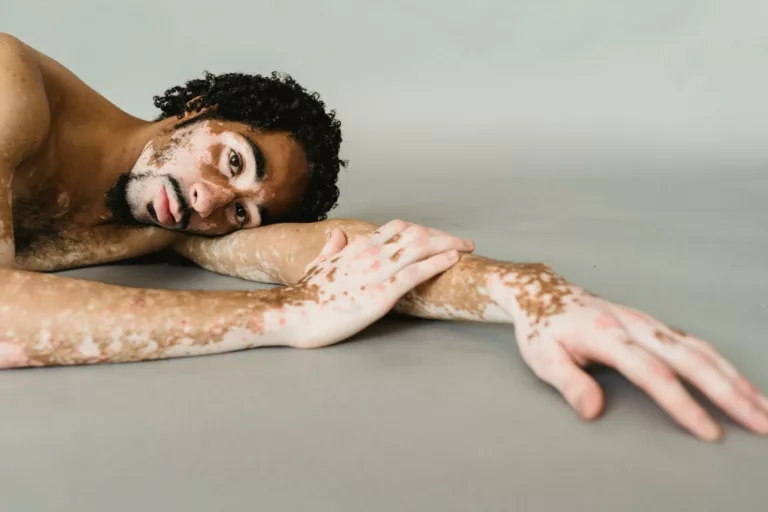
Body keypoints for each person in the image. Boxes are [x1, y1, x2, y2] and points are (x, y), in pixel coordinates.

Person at [0, 32, 765, 443]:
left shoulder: (166, 221)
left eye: (241, 212)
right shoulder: (12, 91)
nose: (212, 202)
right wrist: (283, 319)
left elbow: (350, 256)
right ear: (194, 110)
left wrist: (539, 297)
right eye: (233, 159)